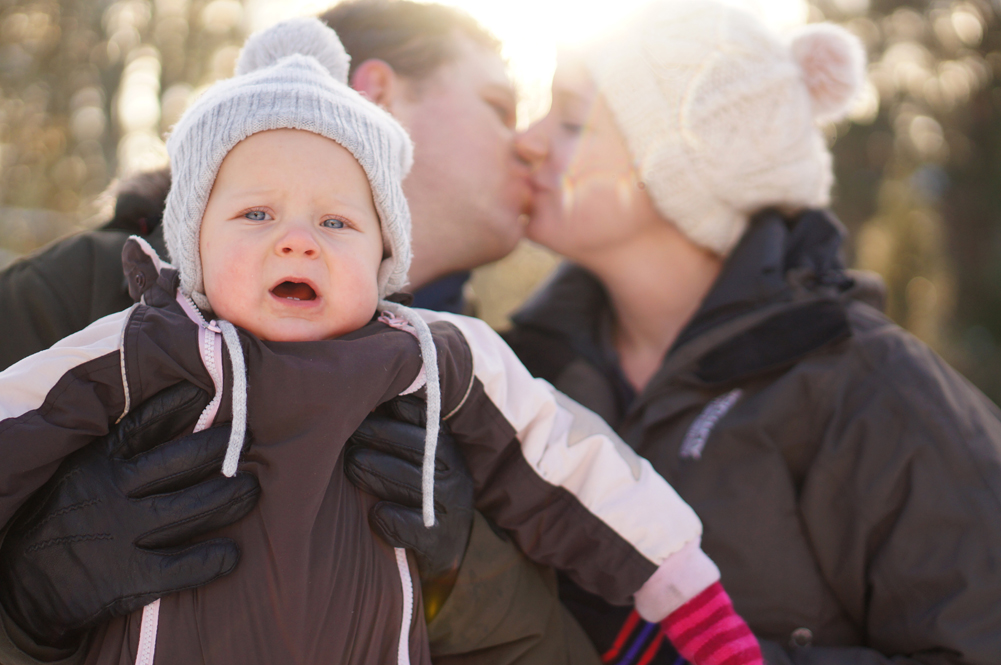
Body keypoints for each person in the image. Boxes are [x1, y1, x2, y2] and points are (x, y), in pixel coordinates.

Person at [0, 17, 762, 665]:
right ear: (374, 97)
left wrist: (466, 575)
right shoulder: (92, 312)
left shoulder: (465, 372)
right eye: (501, 105)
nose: (529, 144)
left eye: (335, 221)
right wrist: (26, 600)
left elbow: (597, 491)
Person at [504, 1, 1001, 663]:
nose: (526, 139)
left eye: (569, 118)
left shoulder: (870, 388)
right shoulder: (515, 377)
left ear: (685, 157)